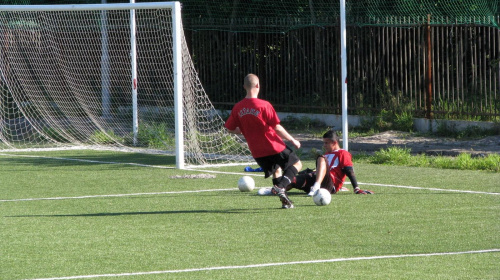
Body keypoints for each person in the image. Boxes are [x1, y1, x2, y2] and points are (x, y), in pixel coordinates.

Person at [225, 73, 302, 209]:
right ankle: (280, 187)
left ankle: (285, 202)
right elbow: (276, 127)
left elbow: (230, 129)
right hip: (273, 146)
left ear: (244, 87)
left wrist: (245, 130)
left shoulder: (238, 107)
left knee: (277, 170)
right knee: (297, 164)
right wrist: (292, 139)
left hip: (257, 151)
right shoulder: (264, 105)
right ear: (258, 85)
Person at [258, 130, 372, 196]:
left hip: (329, 184)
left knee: (320, 158)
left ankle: (316, 187)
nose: (324, 145)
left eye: (326, 143)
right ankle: (275, 190)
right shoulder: (327, 154)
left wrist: (356, 188)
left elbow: (349, 170)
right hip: (316, 179)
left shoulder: (343, 153)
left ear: (334, 142)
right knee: (292, 180)